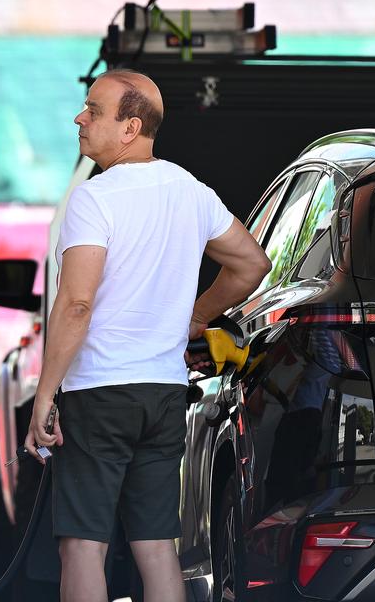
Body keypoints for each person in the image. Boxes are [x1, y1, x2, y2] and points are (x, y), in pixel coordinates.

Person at [24, 69, 271, 602]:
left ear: (130, 127)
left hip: (98, 394)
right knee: (157, 547)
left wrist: (46, 393)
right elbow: (251, 265)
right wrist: (196, 317)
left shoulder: (95, 199)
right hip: (162, 394)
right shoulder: (191, 191)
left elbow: (77, 303)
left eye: (93, 110)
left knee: (83, 546)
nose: (79, 118)